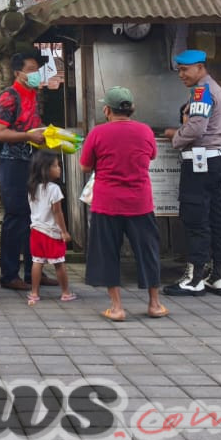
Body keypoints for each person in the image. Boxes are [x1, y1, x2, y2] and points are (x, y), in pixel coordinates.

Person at [81, 87, 168, 321]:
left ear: (106, 110)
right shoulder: (145, 131)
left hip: (106, 202)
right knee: (147, 251)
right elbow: (152, 155)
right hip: (140, 202)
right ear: (132, 109)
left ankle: (117, 307)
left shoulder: (97, 133)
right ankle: (154, 304)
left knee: (108, 252)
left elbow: (85, 166)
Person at [162, 49, 221, 297]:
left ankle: (194, 279)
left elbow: (195, 128)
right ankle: (219, 276)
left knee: (196, 219)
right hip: (217, 160)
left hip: (199, 163)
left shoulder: (202, 91)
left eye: (185, 69)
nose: (181, 75)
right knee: (217, 218)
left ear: (200, 67)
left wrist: (175, 136)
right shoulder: (219, 90)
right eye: (179, 70)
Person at [0, 51, 50, 291]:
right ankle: (9, 275)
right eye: (31, 69)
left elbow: (32, 127)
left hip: (32, 161)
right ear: (18, 73)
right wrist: (28, 136)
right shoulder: (9, 97)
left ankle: (33, 272)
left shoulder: (33, 95)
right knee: (16, 217)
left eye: (38, 69)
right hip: (13, 163)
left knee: (34, 217)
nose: (36, 74)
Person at [26, 150, 76, 304]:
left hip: (36, 231)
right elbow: (57, 212)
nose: (59, 168)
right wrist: (64, 232)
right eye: (55, 166)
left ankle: (34, 293)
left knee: (37, 261)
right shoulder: (54, 189)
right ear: (45, 169)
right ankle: (65, 292)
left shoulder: (32, 188)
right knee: (59, 263)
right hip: (51, 233)